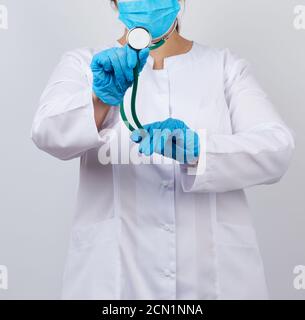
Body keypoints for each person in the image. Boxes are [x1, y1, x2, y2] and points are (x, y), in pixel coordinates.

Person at [31, 0, 295, 300]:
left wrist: (201, 150)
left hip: (214, 278)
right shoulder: (86, 65)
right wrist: (101, 98)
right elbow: (46, 132)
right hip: (114, 284)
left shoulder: (224, 67)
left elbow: (277, 148)